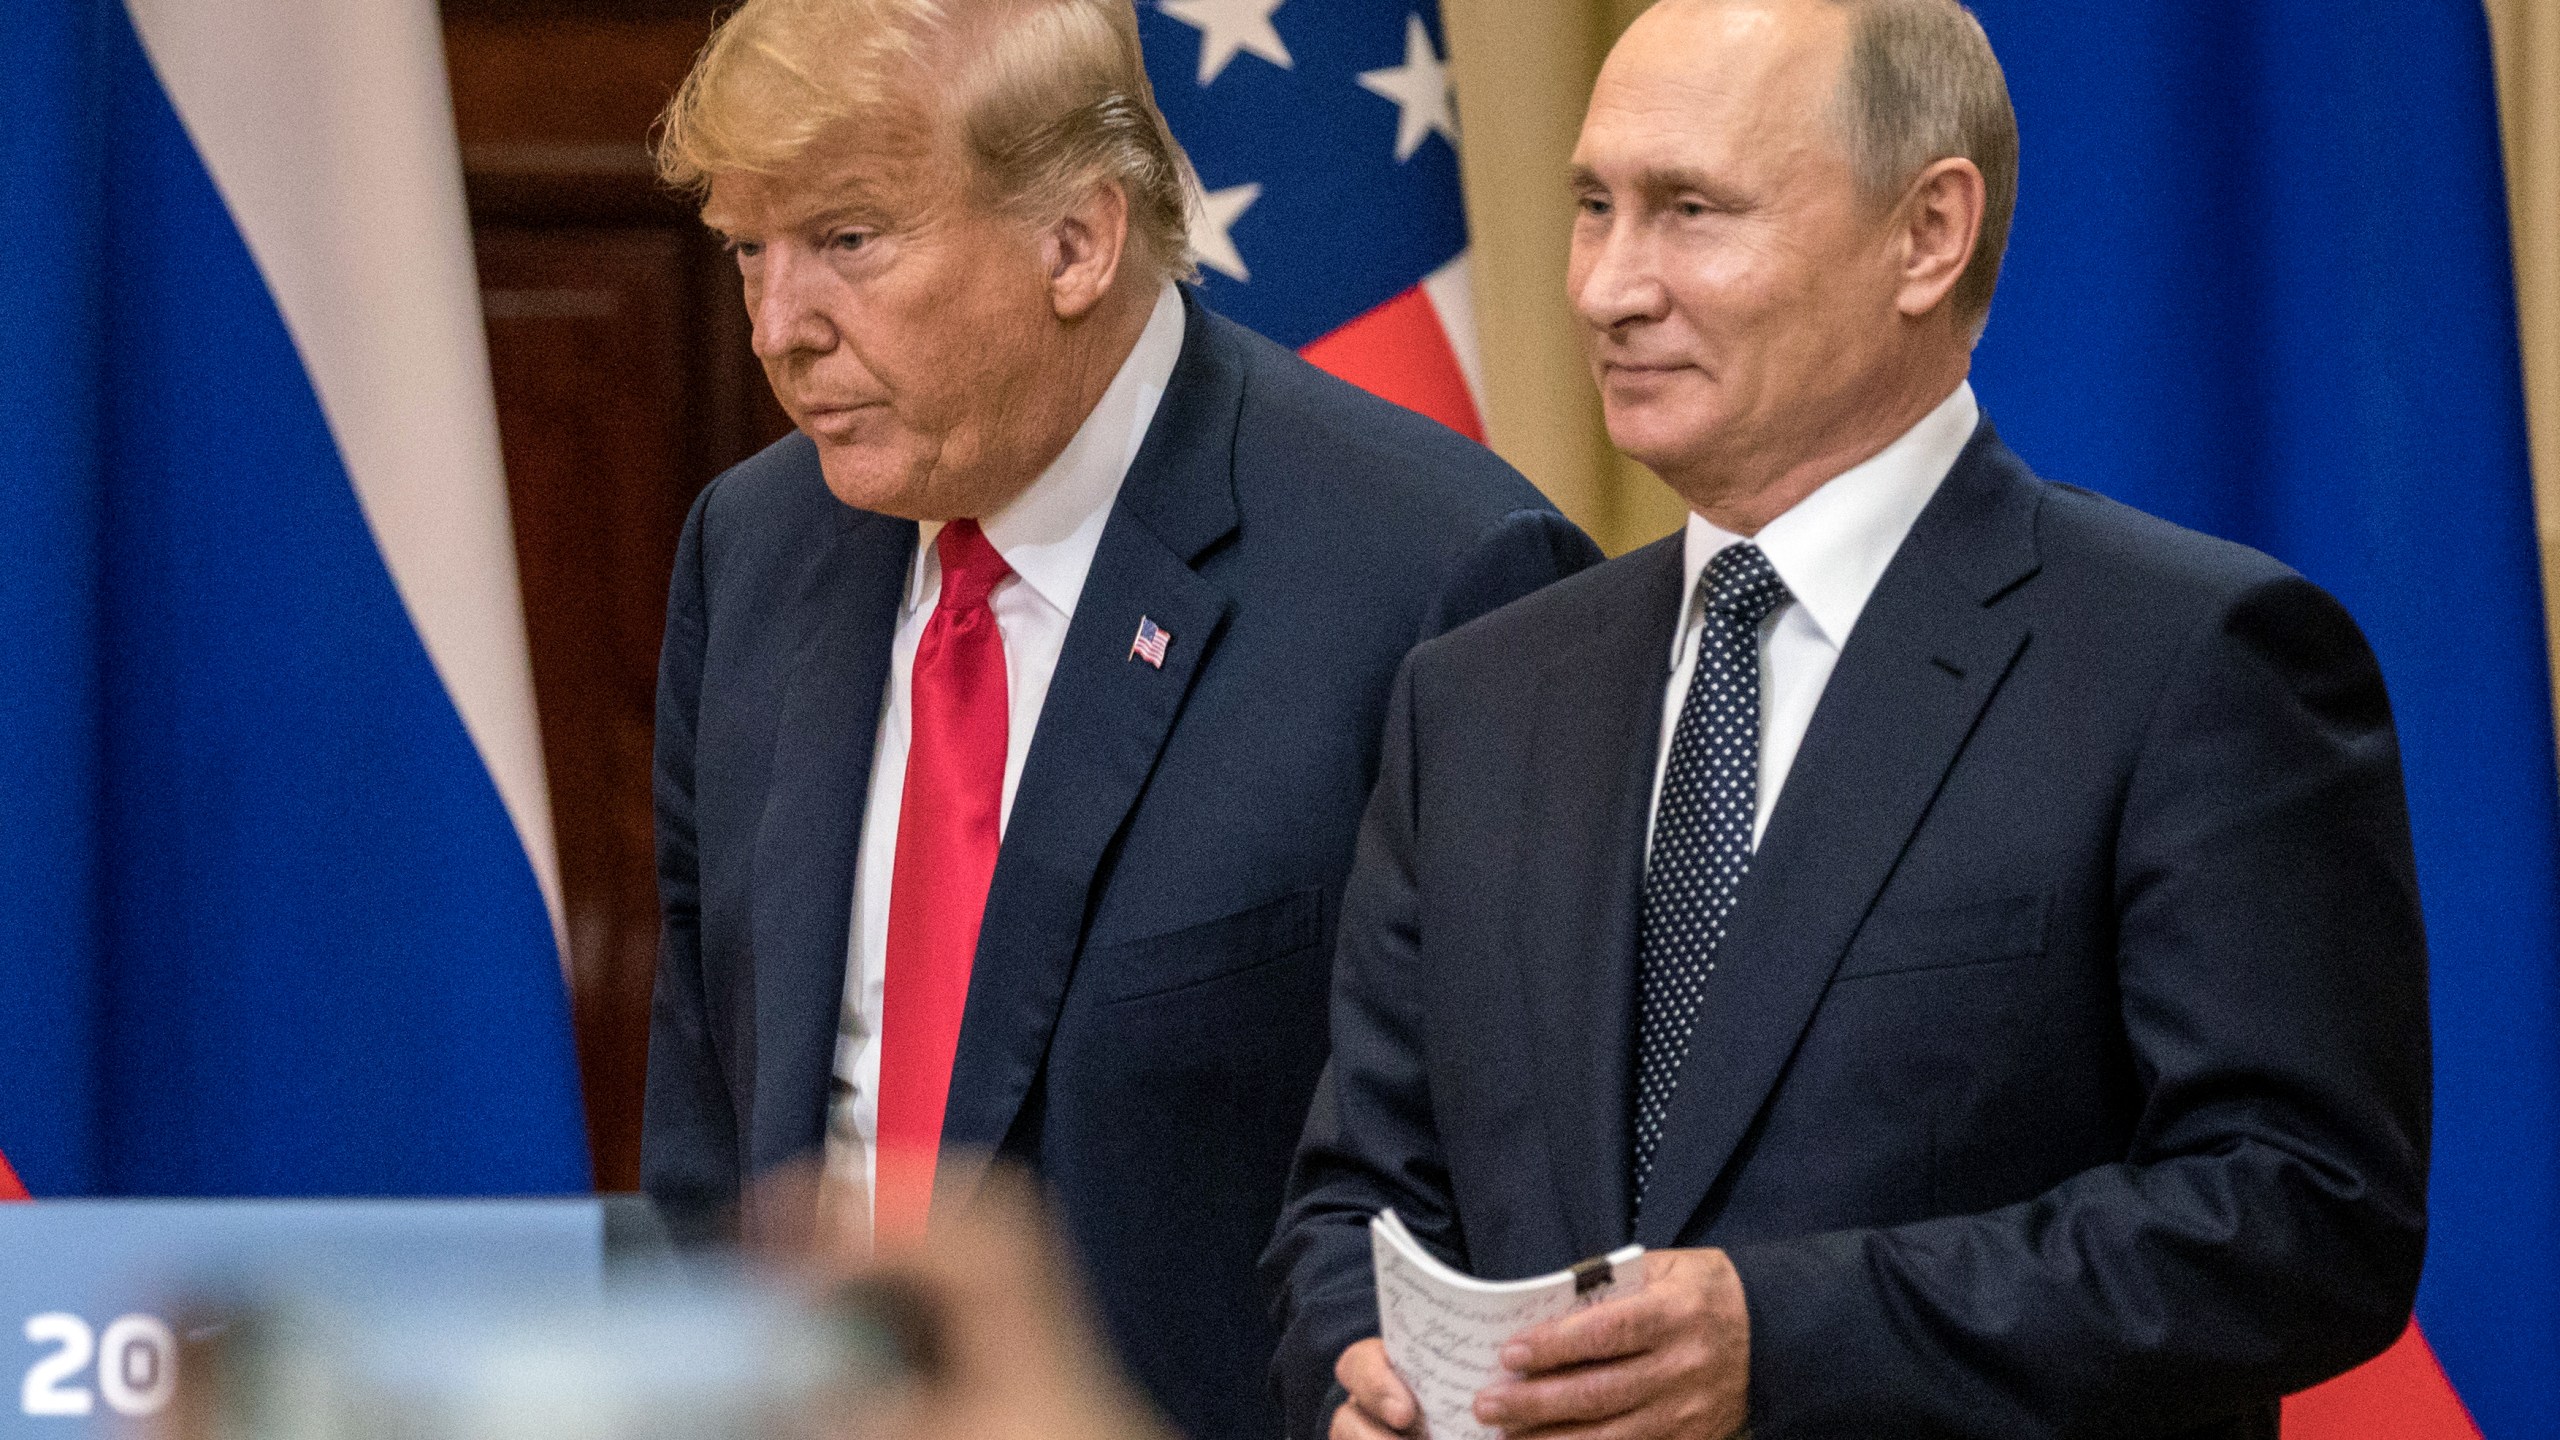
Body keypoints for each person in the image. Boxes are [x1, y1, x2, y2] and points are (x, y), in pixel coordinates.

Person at [1262, 1, 2431, 1436]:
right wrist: (1354, 1379)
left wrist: (1789, 1336)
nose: (1609, 287)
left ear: (1929, 235)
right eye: (1592, 207)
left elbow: (2303, 1214)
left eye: (1690, 209)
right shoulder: (1481, 692)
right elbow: (1357, 1199)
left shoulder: (2192, 661)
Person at [636, 2, 1600, 1437]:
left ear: (1076, 243)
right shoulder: (754, 546)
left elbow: (1506, 1204)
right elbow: (711, 1130)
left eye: (847, 241)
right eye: (747, 252)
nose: (780, 329)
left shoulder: (1442, 581)